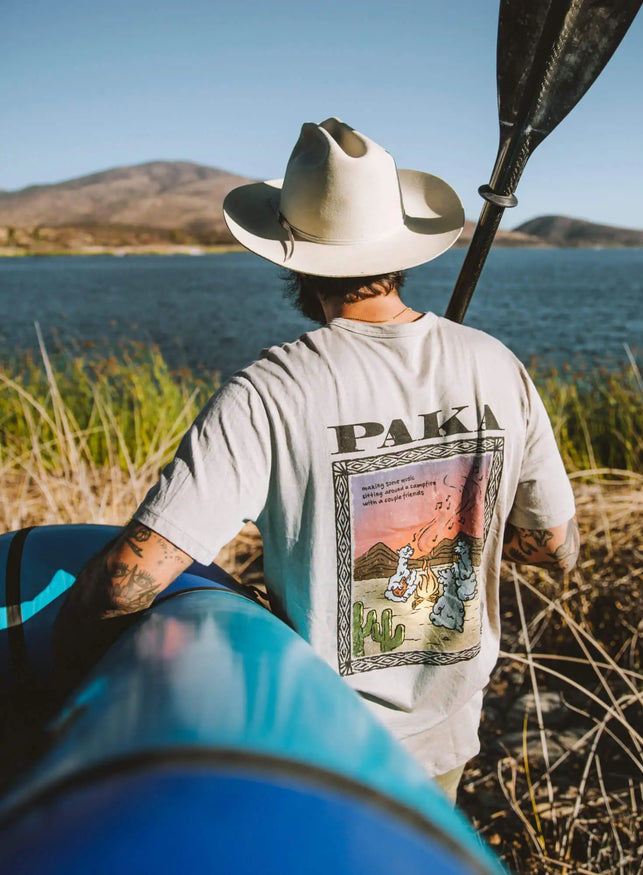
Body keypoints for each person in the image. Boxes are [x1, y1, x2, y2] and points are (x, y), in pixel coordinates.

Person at [55, 118, 578, 803]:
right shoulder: (495, 365)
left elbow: (127, 583)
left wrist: (49, 665)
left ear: (291, 258)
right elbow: (553, 546)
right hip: (447, 736)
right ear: (400, 247)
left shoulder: (270, 391)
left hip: (319, 751)